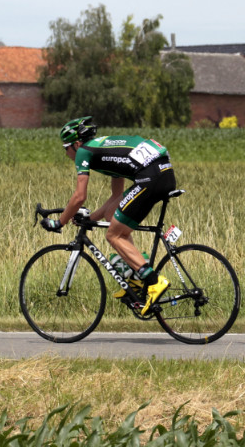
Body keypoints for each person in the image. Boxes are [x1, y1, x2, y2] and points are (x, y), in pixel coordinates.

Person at [41, 116, 175, 314]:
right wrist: (90, 219)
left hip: (150, 177)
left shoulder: (84, 152)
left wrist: (59, 223)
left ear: (76, 144)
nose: (66, 153)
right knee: (114, 219)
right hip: (163, 173)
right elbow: (116, 197)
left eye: (66, 147)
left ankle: (154, 281)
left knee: (113, 235)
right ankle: (137, 279)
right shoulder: (106, 150)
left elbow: (79, 196)